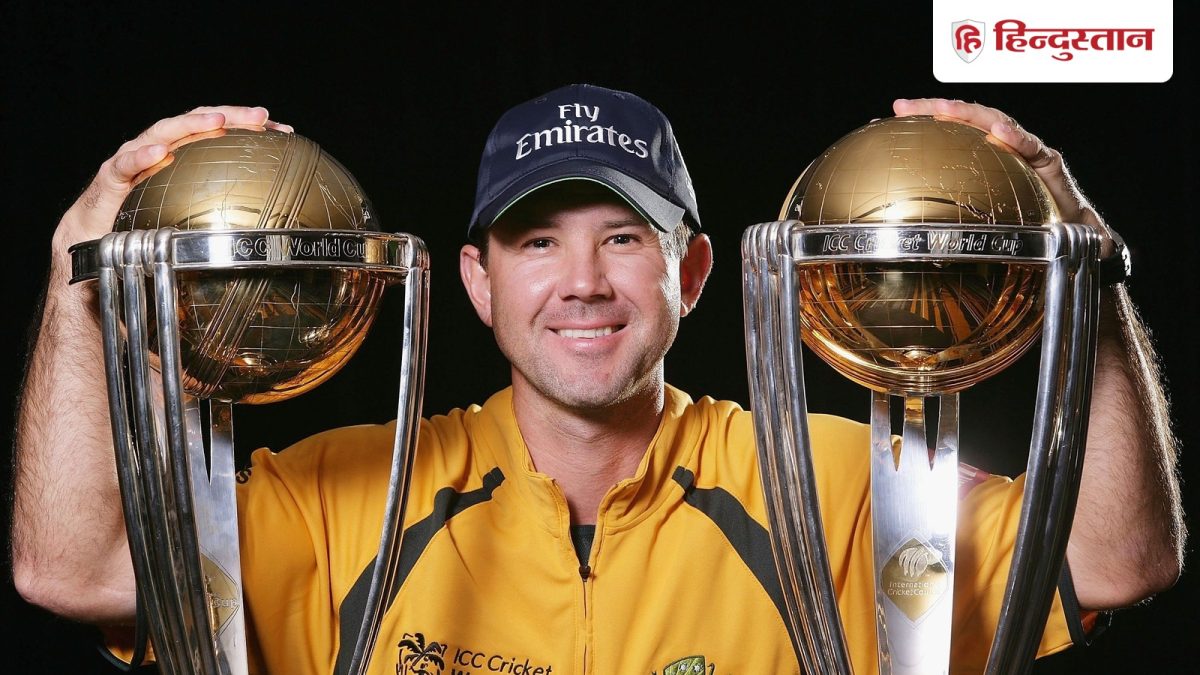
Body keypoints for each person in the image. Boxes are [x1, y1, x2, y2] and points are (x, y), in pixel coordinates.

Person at [10, 86, 1183, 674]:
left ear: (693, 273)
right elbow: (71, 571)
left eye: (624, 239)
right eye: (538, 242)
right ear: (477, 282)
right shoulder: (340, 497)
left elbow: (1117, 563)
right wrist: (78, 274)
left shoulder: (834, 486)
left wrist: (1090, 263)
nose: (583, 282)